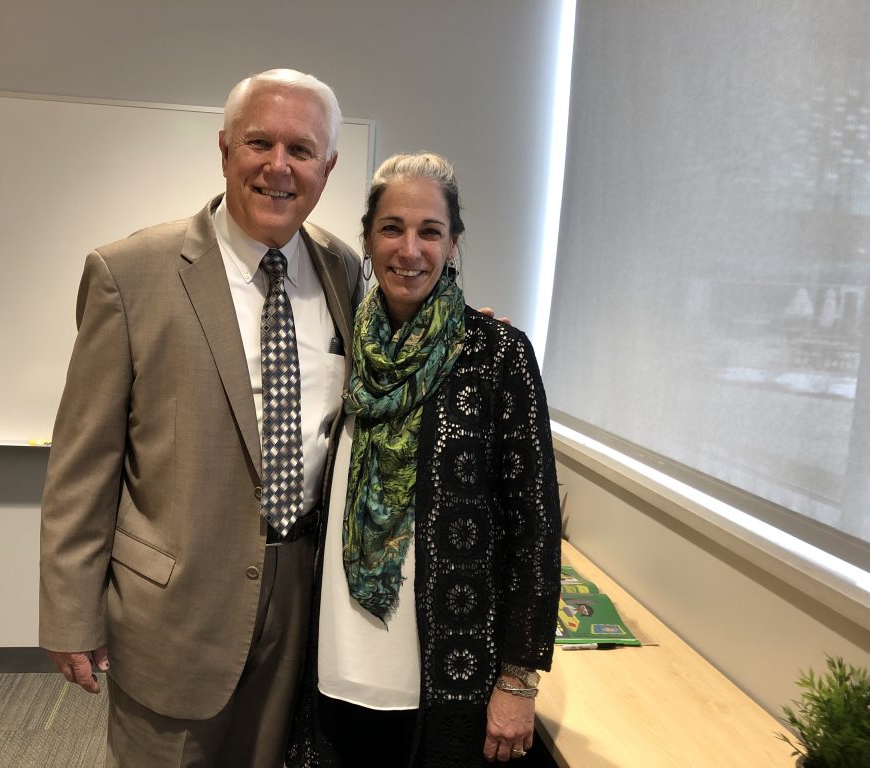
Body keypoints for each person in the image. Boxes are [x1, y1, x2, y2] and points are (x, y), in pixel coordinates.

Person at [38, 69, 364, 768]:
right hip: (174, 610)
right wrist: (71, 613)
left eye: (302, 151)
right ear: (224, 150)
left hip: (301, 600)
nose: (279, 167)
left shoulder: (343, 271)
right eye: (260, 142)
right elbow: (82, 465)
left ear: (328, 167)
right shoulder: (130, 273)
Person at [286, 153, 562, 767]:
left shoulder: (499, 357)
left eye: (430, 231)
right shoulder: (341, 339)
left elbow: (536, 528)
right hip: (337, 647)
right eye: (392, 228)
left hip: (446, 663)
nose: (409, 249)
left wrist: (518, 680)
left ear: (453, 244)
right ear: (367, 238)